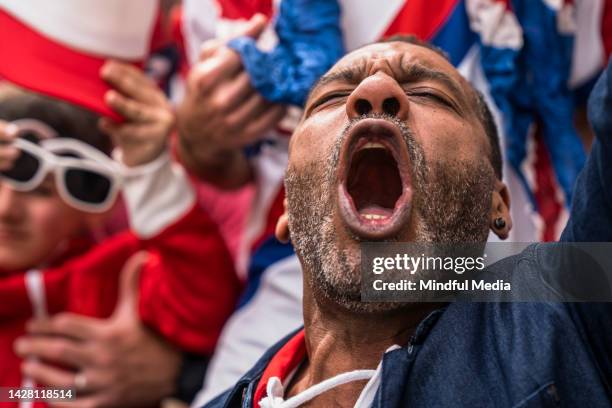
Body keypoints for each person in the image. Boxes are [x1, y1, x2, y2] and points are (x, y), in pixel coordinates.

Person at [202, 37, 612, 408]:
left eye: (429, 94)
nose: (373, 91)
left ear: (497, 205)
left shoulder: (569, 314)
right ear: (287, 210)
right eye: (332, 97)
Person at [0, 60, 240, 407]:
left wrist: (149, 172)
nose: (6, 209)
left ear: (95, 201)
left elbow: (202, 309)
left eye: (41, 190)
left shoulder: (119, 274)